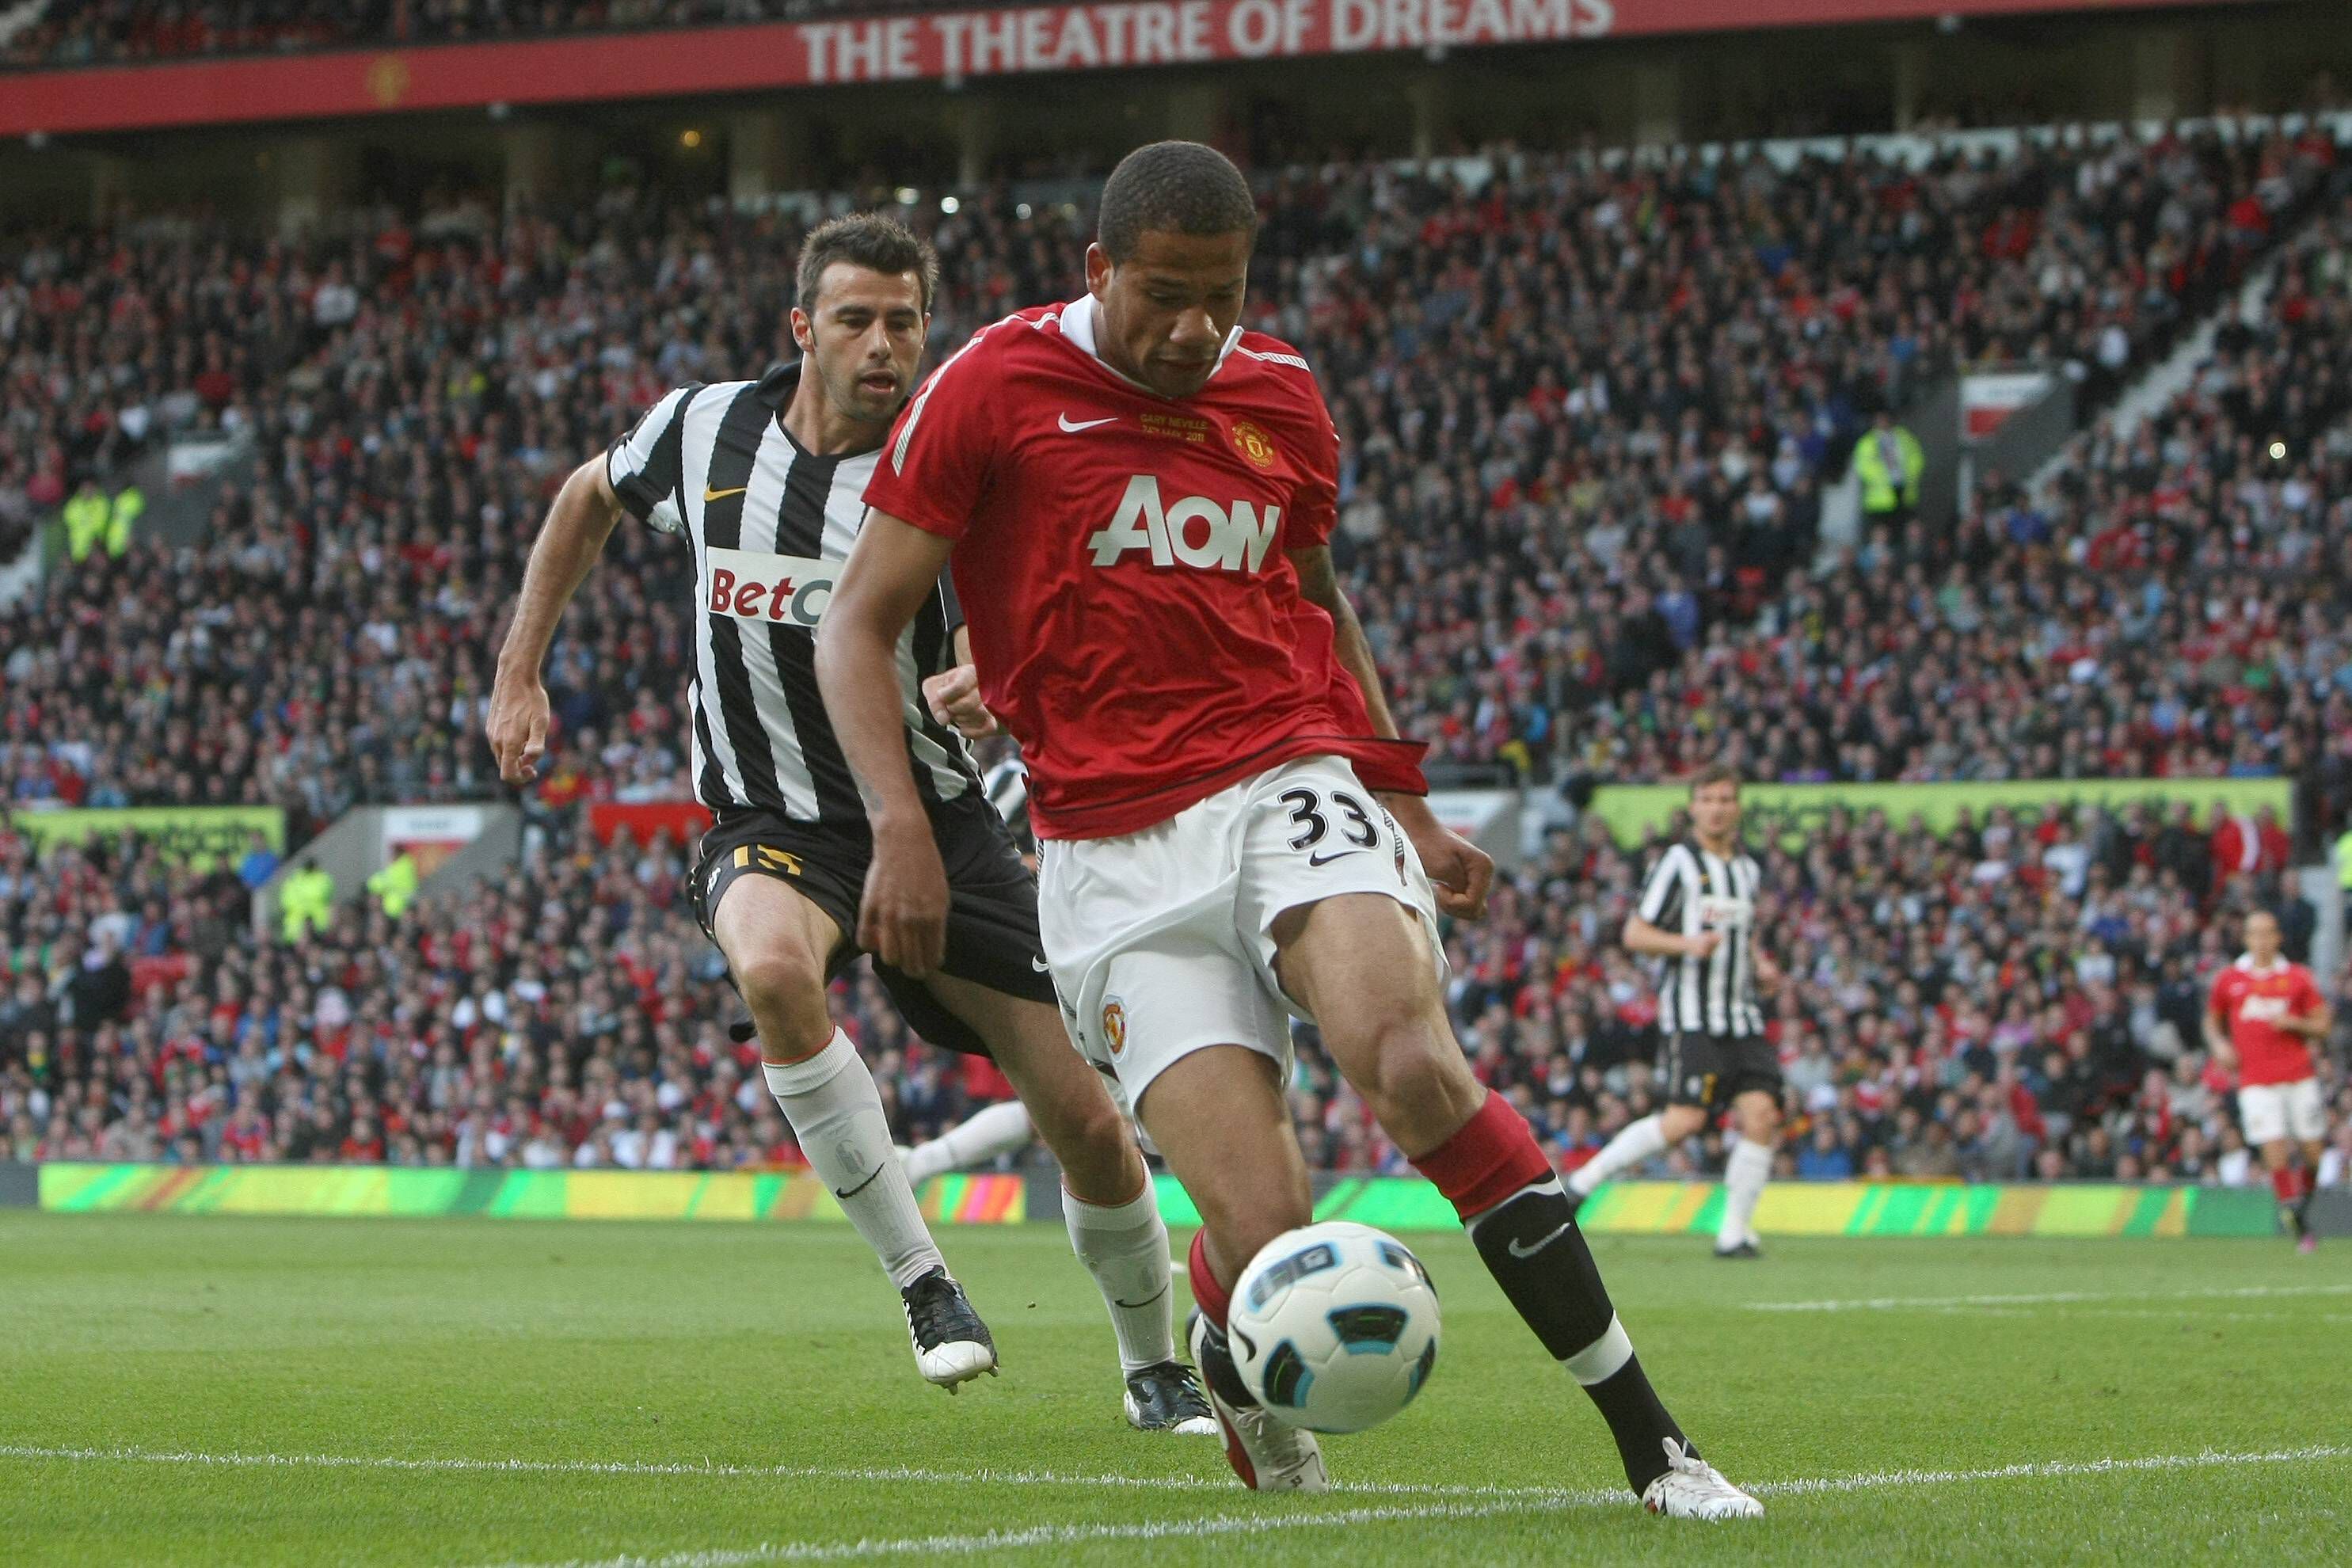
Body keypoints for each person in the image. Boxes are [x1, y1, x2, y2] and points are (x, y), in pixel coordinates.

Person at [816, 141, 1758, 1517]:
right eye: (1164, 296)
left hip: (1284, 775)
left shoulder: (1279, 392)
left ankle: (1653, 1443)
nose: (1195, 328)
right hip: (1109, 853)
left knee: (1412, 1065)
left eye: (1224, 295)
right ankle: (1225, 1352)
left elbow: (1317, 601)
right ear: (1099, 270)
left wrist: (1408, 806)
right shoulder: (994, 386)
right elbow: (856, 624)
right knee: (1264, 1230)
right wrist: (900, 824)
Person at [485, 213, 1213, 1432]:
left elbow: (1016, 622)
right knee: (772, 971)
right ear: (802, 328)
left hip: (937, 828)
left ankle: (1151, 1369)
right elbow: (584, 498)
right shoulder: (700, 430)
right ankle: (925, 1284)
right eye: (856, 320)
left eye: (904, 323)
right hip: (772, 822)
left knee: (1090, 1122)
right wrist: (519, 671)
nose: (883, 345)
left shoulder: (953, 459)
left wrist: (986, 675)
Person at [1565, 767, 1784, 1259]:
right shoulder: (1678, 863)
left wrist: (1761, 964)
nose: (1717, 808)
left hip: (1743, 1018)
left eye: (1725, 799)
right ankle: (1583, 1182)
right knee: (1685, 1120)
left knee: (1762, 1115)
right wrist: (1687, 944)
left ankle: (1734, 1234)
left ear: (1738, 807)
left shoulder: (1747, 870)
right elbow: (1635, 933)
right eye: (1708, 799)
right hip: (1693, 1018)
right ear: (1693, 807)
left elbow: (1744, 935)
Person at [2205, 908, 2331, 1253]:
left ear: (2278, 937)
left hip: (2299, 1076)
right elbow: (2212, 1020)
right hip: (2256, 1080)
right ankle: (2295, 1218)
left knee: (2313, 1153)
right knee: (2274, 1148)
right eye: (2254, 933)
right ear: (2246, 938)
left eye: (2267, 933)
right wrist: (2219, 1045)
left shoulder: (2298, 977)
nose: (2261, 940)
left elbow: (2323, 1024)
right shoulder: (2230, 979)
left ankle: (2300, 1208)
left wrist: (2296, 1024)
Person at [1851, 409, 1924, 525]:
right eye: (1880, 420)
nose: (1883, 422)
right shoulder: (1867, 442)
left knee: (1905, 524)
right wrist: (1881, 479)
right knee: (1884, 528)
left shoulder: (1904, 436)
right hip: (1880, 498)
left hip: (1904, 489)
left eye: (1885, 419)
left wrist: (1910, 475)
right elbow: (1863, 466)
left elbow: (1916, 457)